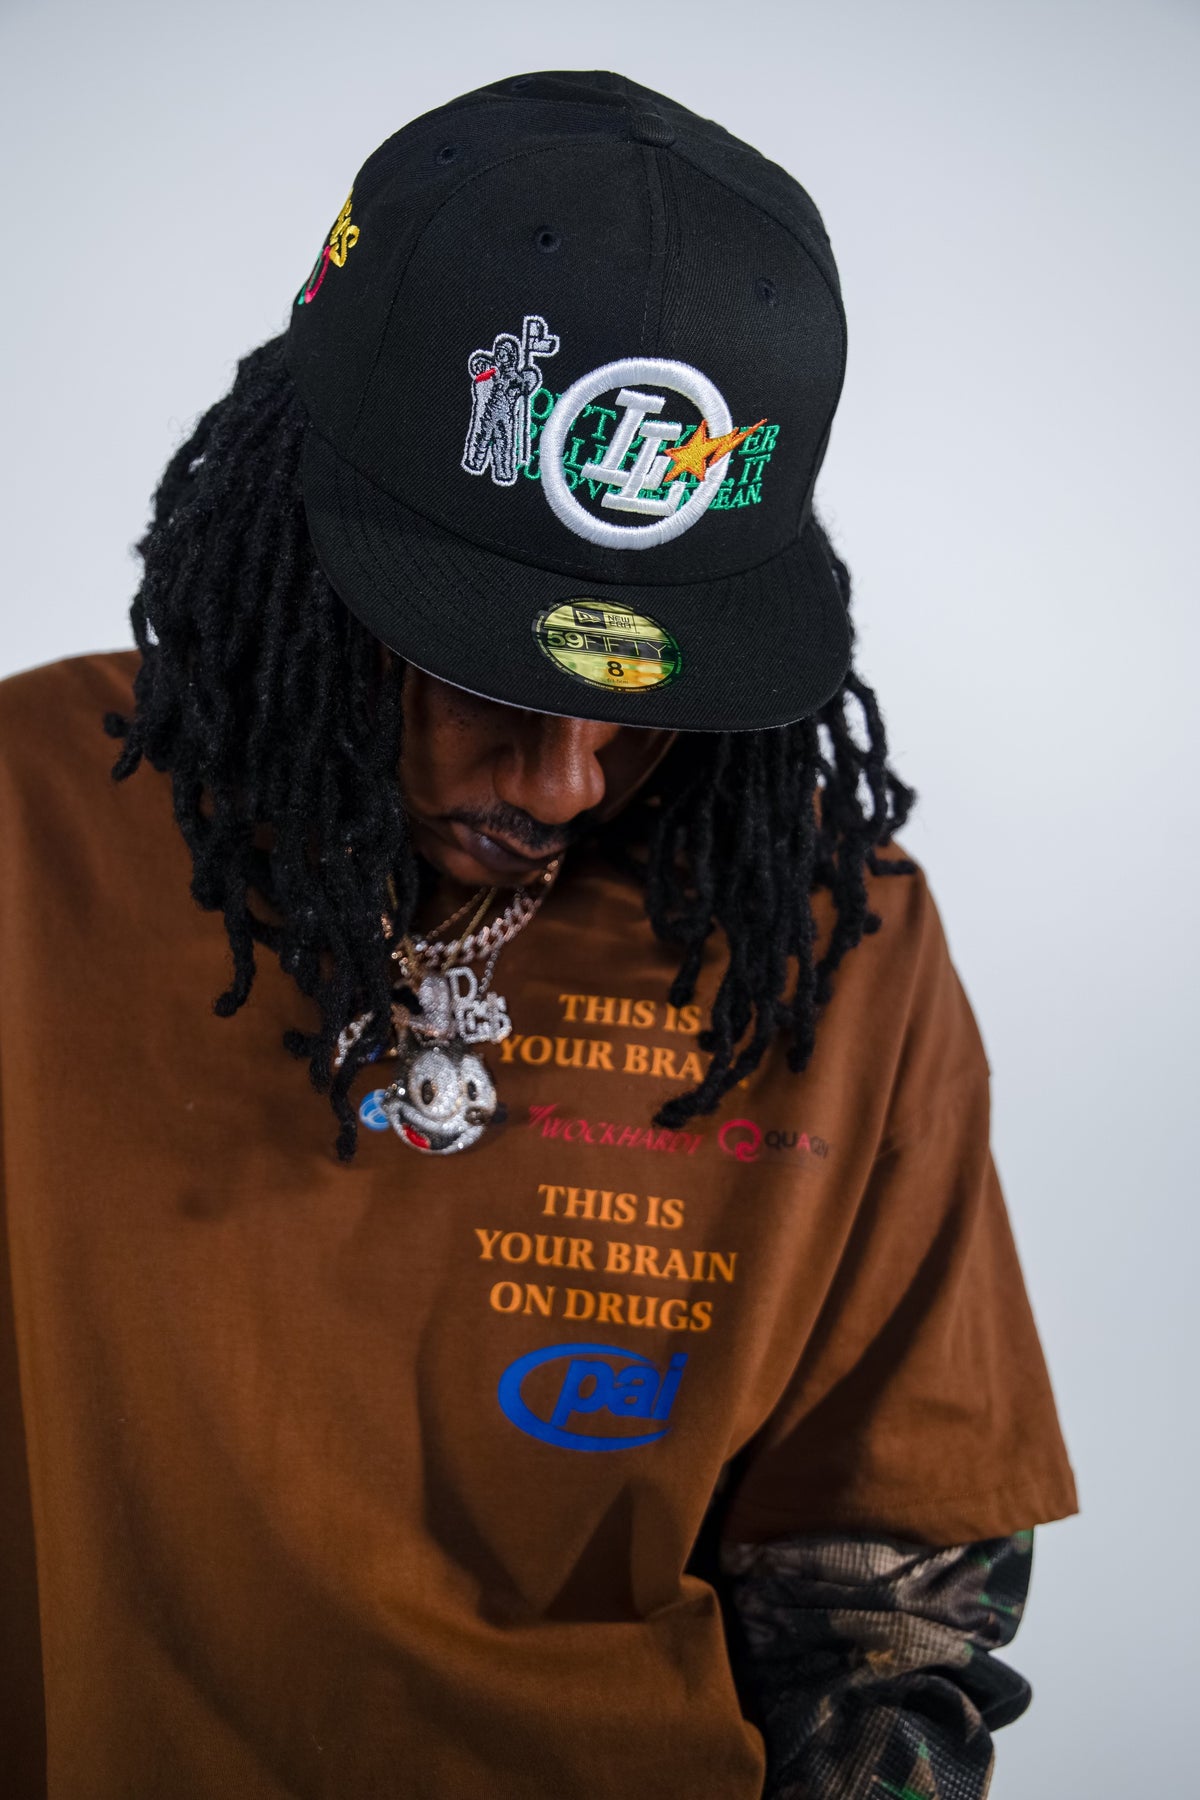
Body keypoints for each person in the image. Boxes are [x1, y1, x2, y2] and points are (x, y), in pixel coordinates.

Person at [0, 69, 1078, 1800]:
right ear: (301, 525)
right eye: (485, 669)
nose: (567, 778)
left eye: (646, 690)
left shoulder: (828, 947)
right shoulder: (25, 826)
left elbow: (891, 1614)